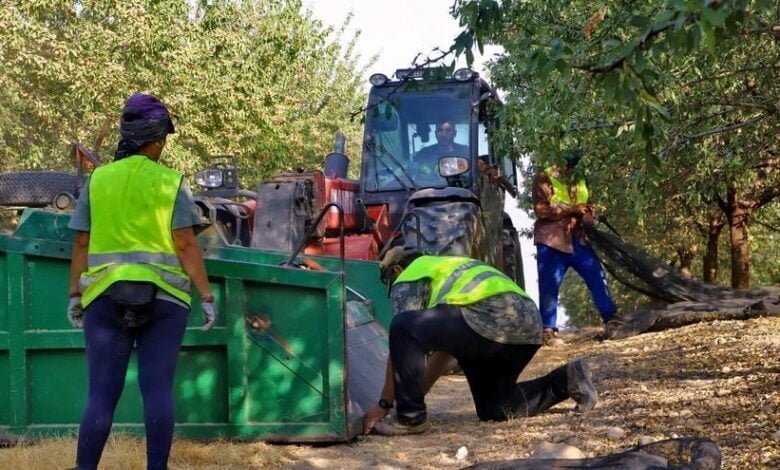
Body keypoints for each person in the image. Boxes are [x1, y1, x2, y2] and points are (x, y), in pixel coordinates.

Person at [66, 93, 217, 470]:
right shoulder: (171, 182)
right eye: (163, 139)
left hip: (104, 298)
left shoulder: (99, 180)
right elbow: (184, 242)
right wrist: (206, 295)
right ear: (155, 140)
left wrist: (74, 293)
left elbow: (82, 240)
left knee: (101, 392)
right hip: (165, 301)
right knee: (157, 389)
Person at [362, 248, 598, 436]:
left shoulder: (412, 273)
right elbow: (445, 352)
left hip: (488, 318)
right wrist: (411, 395)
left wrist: (384, 405)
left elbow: (402, 338)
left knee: (403, 325)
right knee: (495, 408)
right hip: (525, 326)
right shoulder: (449, 269)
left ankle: (410, 420)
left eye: (389, 280)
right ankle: (565, 379)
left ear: (396, 269)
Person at [532, 150, 620, 345]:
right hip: (552, 241)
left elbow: (588, 205)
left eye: (573, 166)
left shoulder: (580, 179)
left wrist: (588, 215)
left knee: (596, 276)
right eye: (567, 165)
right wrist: (571, 209)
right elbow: (541, 210)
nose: (570, 168)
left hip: (578, 238)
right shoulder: (544, 177)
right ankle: (548, 331)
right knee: (549, 285)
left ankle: (612, 319)